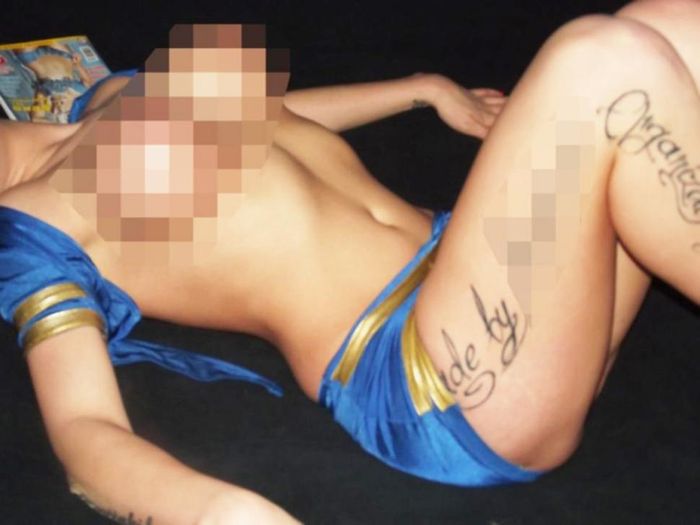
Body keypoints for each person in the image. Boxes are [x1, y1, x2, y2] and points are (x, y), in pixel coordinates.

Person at [0, 0, 698, 522]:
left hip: (485, 269)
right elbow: (84, 432)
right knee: (601, 60)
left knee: (667, 24)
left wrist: (419, 88)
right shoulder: (29, 228)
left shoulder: (109, 95)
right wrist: (224, 514)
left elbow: (264, 118)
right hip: (436, 372)